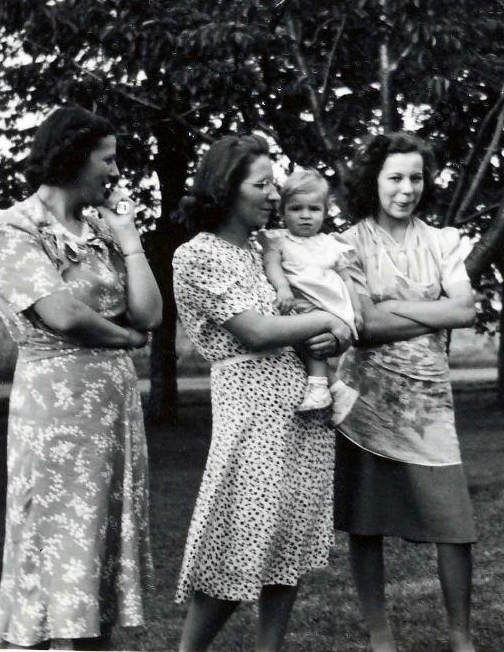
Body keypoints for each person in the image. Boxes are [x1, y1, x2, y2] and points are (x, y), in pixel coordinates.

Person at [0, 105, 162, 650]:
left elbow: (150, 313)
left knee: (97, 568)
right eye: (106, 159)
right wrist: (128, 340)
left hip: (112, 415)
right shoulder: (12, 226)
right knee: (60, 554)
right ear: (73, 156)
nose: (114, 171)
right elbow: (60, 314)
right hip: (56, 419)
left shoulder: (101, 231)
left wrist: (130, 242)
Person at [172, 135, 352, 652]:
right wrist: (325, 322)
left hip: (302, 406)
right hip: (251, 411)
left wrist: (332, 331)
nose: (275, 195)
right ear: (227, 189)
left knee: (285, 544)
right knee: (234, 541)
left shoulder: (267, 249)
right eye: (262, 184)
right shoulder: (198, 254)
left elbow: (319, 313)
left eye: (275, 183)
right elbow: (255, 331)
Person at [334, 132, 479, 652]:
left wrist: (391, 310)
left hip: (429, 403)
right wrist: (426, 309)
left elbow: (465, 310)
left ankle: (461, 638)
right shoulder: (346, 244)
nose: (407, 188)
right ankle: (380, 635)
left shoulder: (443, 242)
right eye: (395, 177)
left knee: (453, 524)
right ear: (373, 180)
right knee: (365, 522)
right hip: (365, 399)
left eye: (416, 177)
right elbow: (362, 326)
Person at [260, 169, 363, 417]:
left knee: (311, 338)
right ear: (283, 210)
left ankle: (319, 388)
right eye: (296, 209)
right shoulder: (278, 240)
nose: (305, 216)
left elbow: (347, 280)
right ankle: (337, 389)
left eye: (314, 209)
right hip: (299, 301)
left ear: (325, 212)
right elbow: (272, 264)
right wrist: (283, 287)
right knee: (302, 338)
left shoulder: (330, 244)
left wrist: (356, 310)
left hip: (328, 306)